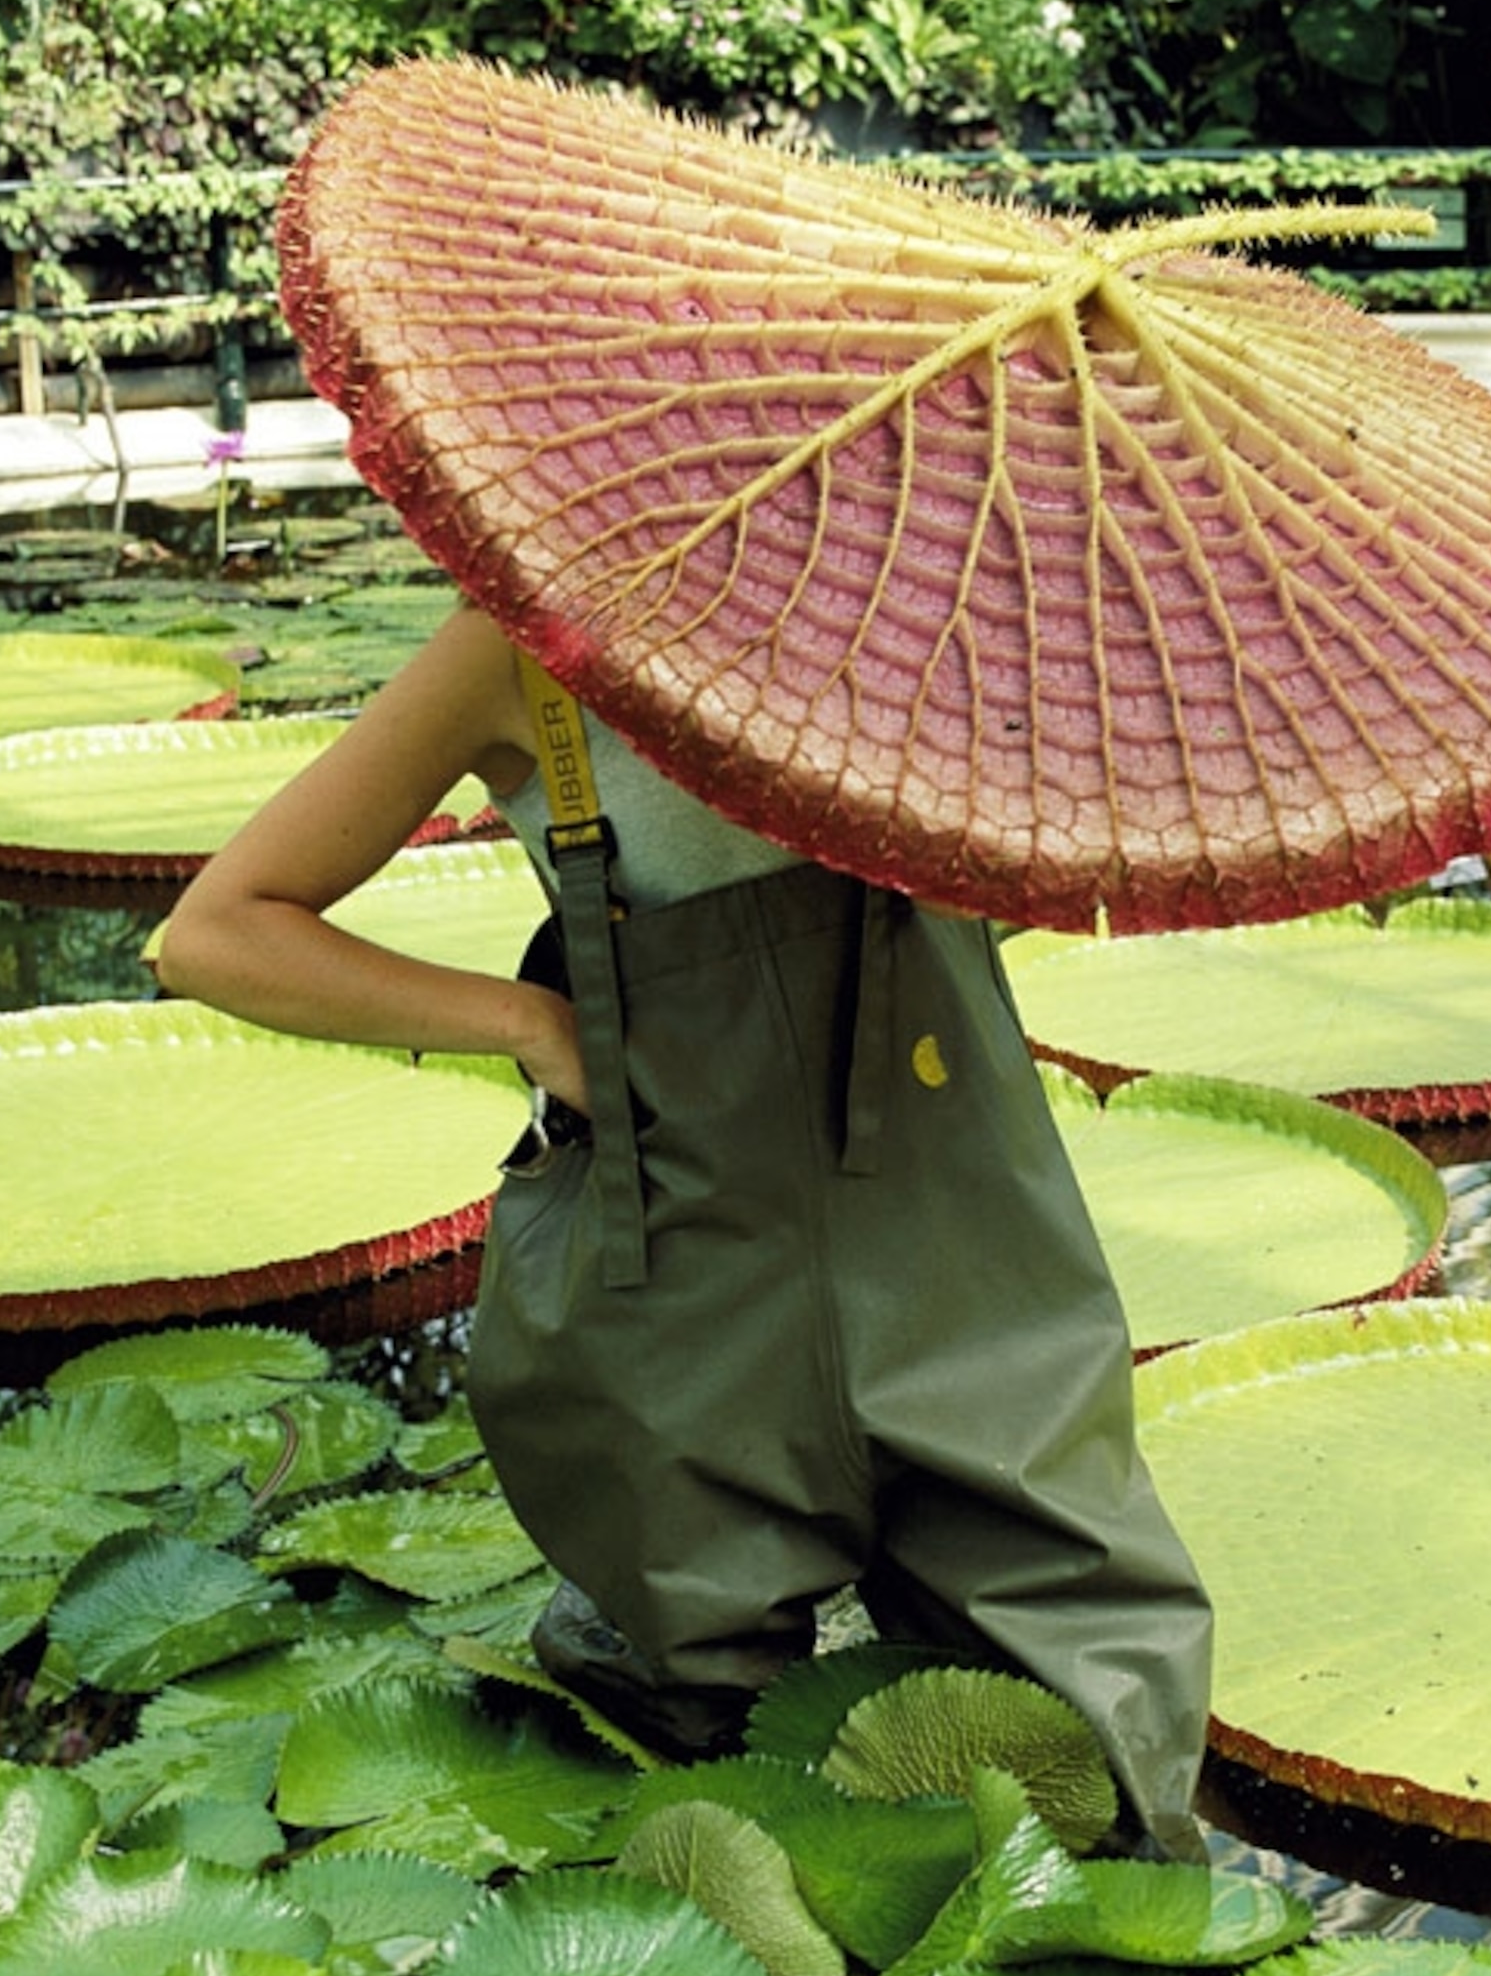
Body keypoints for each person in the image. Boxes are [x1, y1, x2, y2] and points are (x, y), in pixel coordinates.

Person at [157, 600, 1214, 1857]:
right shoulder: (518, 647)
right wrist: (533, 1026)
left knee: (1109, 1771)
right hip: (681, 1250)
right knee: (678, 1748)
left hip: (961, 1227)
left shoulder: (942, 599)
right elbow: (216, 931)